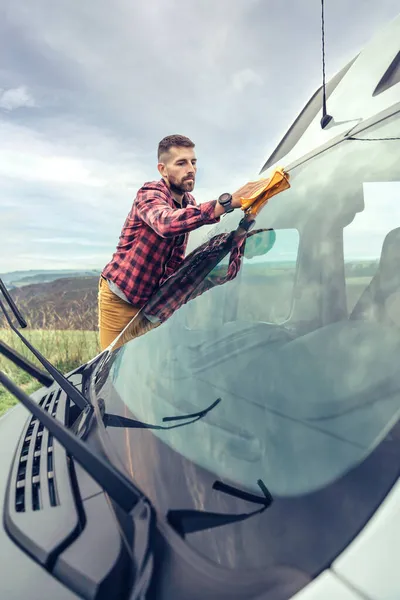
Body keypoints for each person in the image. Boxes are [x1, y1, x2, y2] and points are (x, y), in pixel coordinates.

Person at [98, 134, 261, 350]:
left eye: (193, 162)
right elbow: (165, 223)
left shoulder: (190, 203)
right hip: (121, 300)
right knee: (110, 365)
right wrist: (226, 203)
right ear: (163, 170)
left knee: (143, 361)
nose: (191, 169)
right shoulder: (149, 194)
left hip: (153, 306)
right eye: (181, 163)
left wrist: (245, 222)